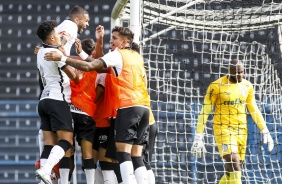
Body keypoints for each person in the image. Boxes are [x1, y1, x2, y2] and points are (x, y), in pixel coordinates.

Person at [44, 26, 151, 184]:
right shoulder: (137, 57)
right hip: (144, 108)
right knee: (136, 156)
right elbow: (99, 65)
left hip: (127, 106)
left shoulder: (117, 54)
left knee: (123, 154)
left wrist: (62, 58)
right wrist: (80, 54)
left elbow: (89, 66)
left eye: (114, 38)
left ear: (124, 41)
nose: (111, 42)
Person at [191, 59, 274, 184]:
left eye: (242, 72)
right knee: (234, 162)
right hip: (223, 129)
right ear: (229, 72)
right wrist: (198, 136)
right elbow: (205, 110)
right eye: (237, 73)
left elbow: (253, 109)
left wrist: (265, 130)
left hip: (241, 131)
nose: (240, 75)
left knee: (231, 171)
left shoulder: (247, 86)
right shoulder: (216, 86)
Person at [34, 6, 90, 184]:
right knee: (66, 141)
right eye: (57, 35)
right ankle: (46, 170)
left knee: (49, 144)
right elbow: (76, 77)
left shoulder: (40, 52)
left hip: (43, 100)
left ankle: (44, 181)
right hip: (58, 99)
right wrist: (69, 61)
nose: (60, 37)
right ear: (52, 37)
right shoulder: (56, 52)